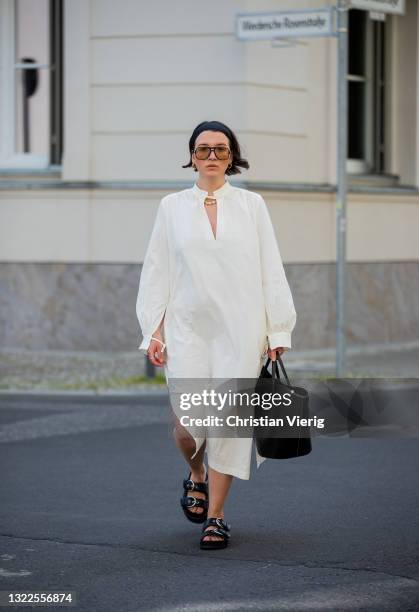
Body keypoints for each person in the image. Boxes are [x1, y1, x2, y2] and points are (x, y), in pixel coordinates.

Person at [136, 120, 297, 550]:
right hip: (187, 329)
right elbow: (157, 270)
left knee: (228, 424)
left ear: (232, 157)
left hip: (240, 328)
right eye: (203, 149)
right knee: (188, 425)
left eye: (220, 150)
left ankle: (217, 516)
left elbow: (270, 268)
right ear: (191, 155)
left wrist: (277, 327)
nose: (211, 157)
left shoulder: (252, 205)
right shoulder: (171, 207)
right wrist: (153, 329)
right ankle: (196, 474)